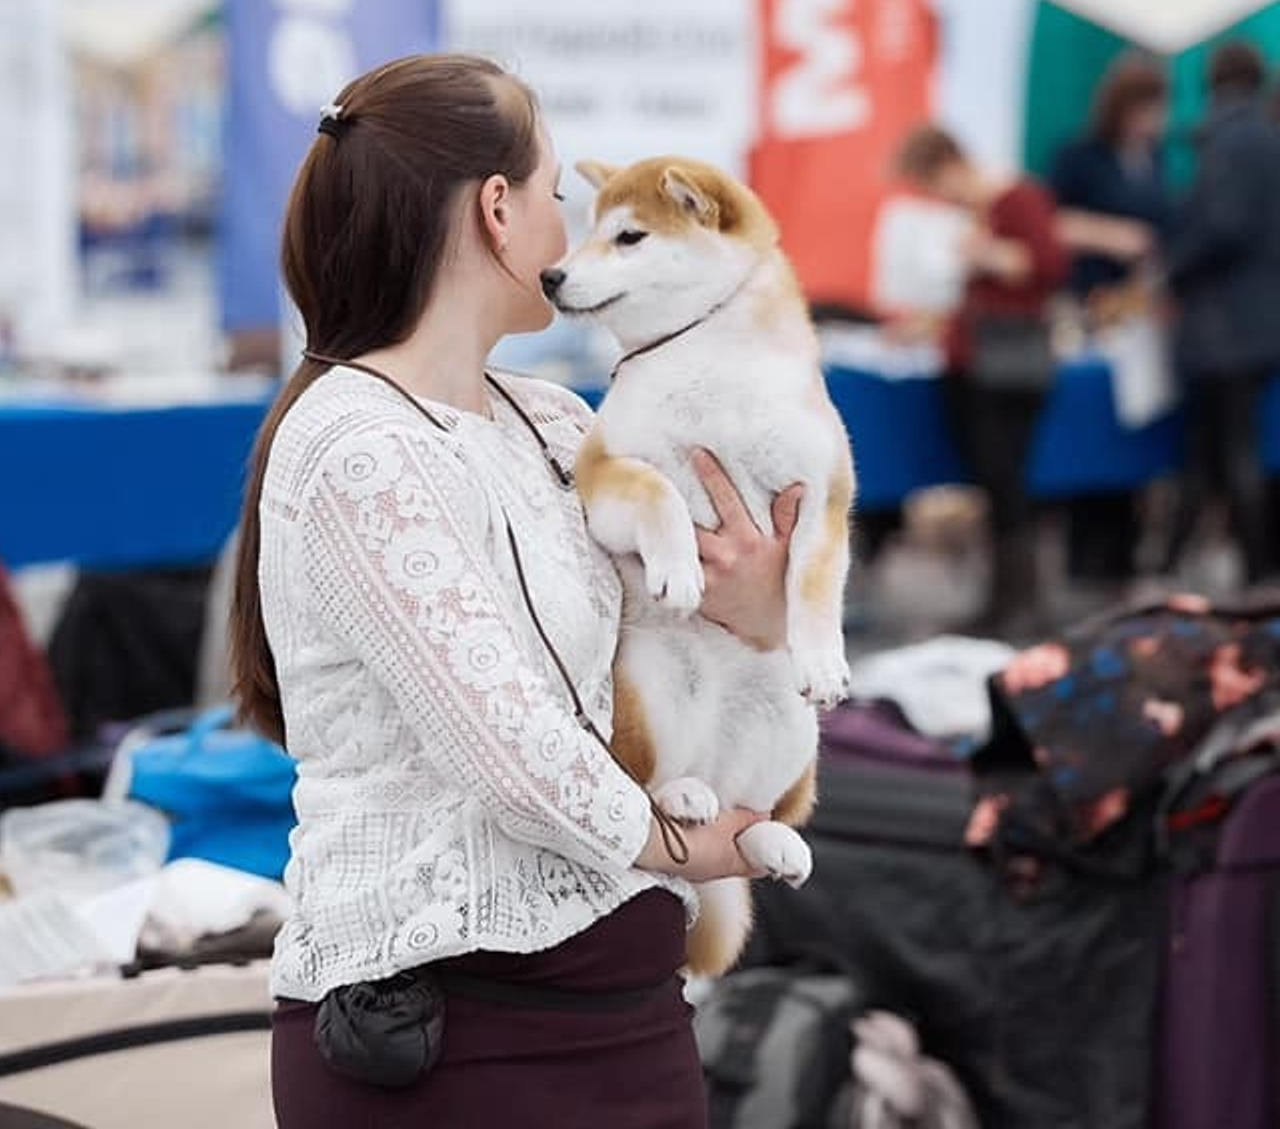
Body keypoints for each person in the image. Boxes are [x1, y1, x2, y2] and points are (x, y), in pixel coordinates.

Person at [228, 54, 807, 1128]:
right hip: (449, 1044)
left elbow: (688, 640)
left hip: (626, 1014)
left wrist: (768, 612)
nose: (567, 233)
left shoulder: (551, 419)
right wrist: (699, 847)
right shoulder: (357, 446)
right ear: (496, 211)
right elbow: (518, 761)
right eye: (555, 197)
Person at [894, 125, 1069, 638]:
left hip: (1008, 365)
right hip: (975, 362)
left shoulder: (1018, 199)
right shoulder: (978, 211)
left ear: (948, 165)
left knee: (1005, 477)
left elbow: (1048, 266)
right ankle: (1004, 598)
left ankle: (1018, 601)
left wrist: (983, 253)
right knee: (994, 480)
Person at [1049, 53, 1172, 588]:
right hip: (1090, 301)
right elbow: (1052, 222)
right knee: (1091, 420)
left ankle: (1126, 543)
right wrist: (1113, 236)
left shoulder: (1156, 159)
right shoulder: (1080, 158)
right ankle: (1088, 546)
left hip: (1139, 307)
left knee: (1133, 421)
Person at [1162, 41, 1280, 586]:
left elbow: (1221, 228)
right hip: (1258, 320)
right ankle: (1238, 563)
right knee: (1226, 447)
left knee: (1223, 449)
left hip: (1223, 324)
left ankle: (1249, 567)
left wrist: (1172, 267)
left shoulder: (1228, 143)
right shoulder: (1266, 138)